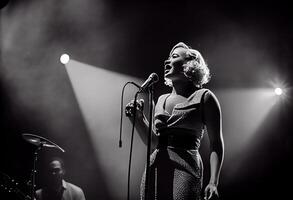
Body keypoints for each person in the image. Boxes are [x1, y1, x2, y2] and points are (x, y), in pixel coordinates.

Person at [125, 42, 224, 200]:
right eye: (168, 57)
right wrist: (137, 119)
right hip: (155, 167)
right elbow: (154, 142)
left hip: (187, 168)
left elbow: (216, 144)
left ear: (190, 65)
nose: (166, 61)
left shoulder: (205, 97)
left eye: (174, 57)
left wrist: (213, 182)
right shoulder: (161, 100)